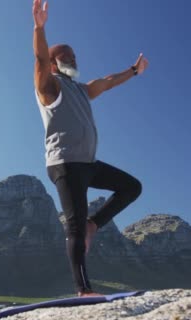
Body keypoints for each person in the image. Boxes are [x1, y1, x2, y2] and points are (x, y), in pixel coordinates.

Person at [32, 0, 149, 297]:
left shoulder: (81, 91)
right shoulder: (50, 86)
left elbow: (107, 82)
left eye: (75, 54)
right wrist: (39, 29)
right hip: (65, 164)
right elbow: (40, 61)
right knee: (73, 226)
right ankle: (83, 290)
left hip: (88, 163)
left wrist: (133, 71)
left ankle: (94, 225)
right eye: (66, 56)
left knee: (131, 187)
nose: (74, 58)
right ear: (55, 62)